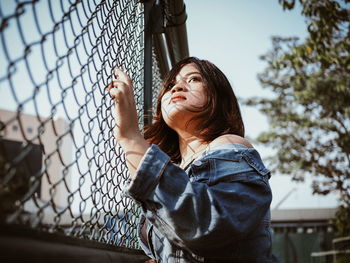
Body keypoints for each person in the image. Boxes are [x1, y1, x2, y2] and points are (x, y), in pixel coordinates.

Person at [108, 57, 278, 262]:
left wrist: (131, 137)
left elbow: (207, 224)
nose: (177, 86)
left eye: (194, 79)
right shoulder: (175, 170)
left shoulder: (231, 146)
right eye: (171, 84)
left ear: (217, 95)